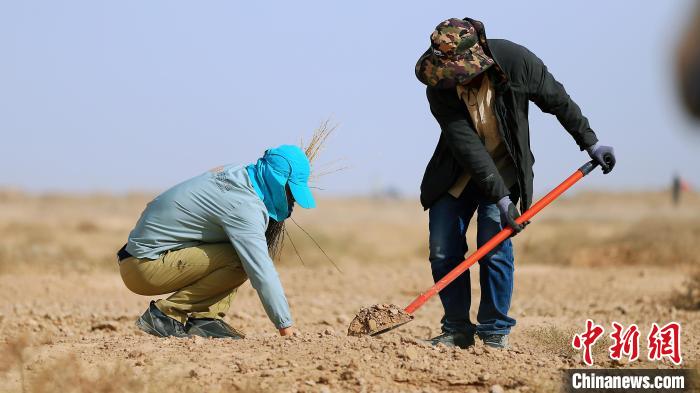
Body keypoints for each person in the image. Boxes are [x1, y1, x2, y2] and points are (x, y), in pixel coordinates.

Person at [414, 18, 616, 349]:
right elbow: (467, 146)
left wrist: (589, 141)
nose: (454, 76)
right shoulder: (438, 86)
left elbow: (556, 98)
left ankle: (493, 331)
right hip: (458, 171)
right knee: (442, 249)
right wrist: (502, 199)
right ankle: (456, 329)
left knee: (493, 248)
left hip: (506, 169)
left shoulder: (515, 62)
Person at [116, 145, 315, 338]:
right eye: (290, 191)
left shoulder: (238, 173)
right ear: (277, 181)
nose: (292, 199)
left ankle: (205, 320)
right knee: (240, 259)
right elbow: (261, 271)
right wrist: (285, 328)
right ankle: (165, 315)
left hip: (141, 258)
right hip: (143, 268)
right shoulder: (244, 206)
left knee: (237, 251)